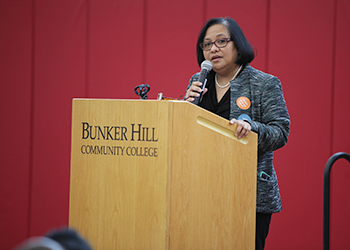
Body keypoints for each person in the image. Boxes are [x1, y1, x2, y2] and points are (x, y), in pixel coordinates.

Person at [185, 17, 290, 250]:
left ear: (238, 44)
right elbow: (185, 132)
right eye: (207, 44)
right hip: (201, 190)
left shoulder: (264, 83)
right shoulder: (198, 81)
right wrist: (186, 105)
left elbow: (280, 131)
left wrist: (252, 128)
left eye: (221, 41)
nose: (213, 48)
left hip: (246, 194)